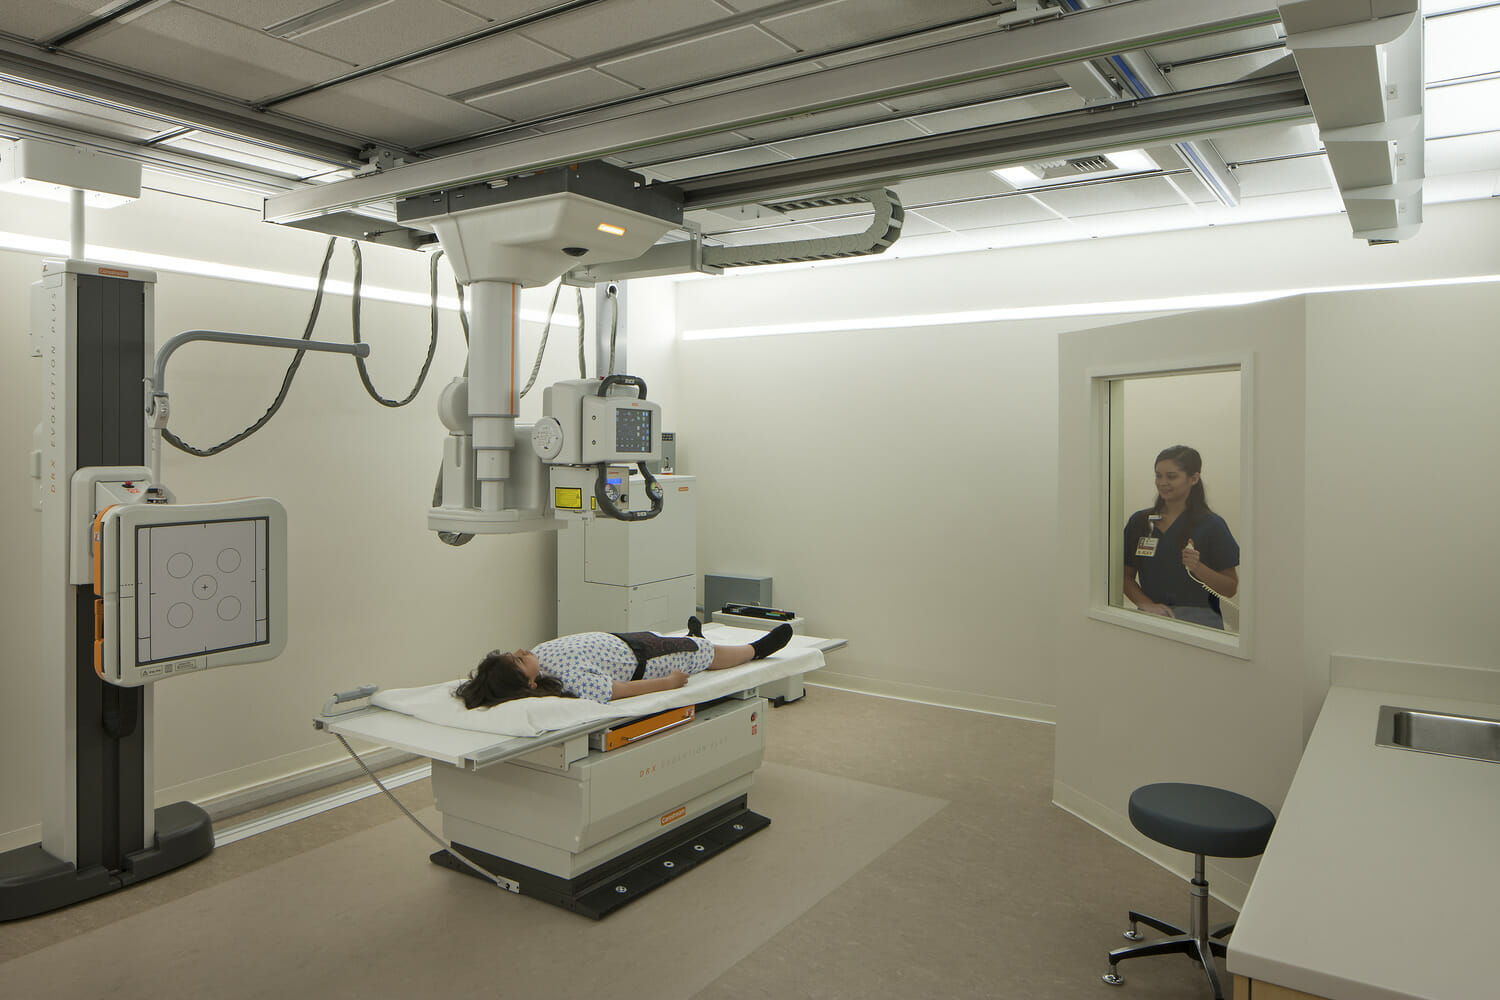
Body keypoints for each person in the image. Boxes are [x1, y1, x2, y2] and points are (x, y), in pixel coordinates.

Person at [455, 617, 794, 707]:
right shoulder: (566, 680)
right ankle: (755, 650)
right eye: (517, 660)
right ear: (529, 684)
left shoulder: (540, 655)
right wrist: (668, 684)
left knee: (679, 640)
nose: (521, 651)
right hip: (644, 660)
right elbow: (617, 691)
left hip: (627, 640)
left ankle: (697, 635)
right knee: (702, 654)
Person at [1122, 445, 1239, 630]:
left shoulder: (1211, 525)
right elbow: (1124, 576)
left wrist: (1198, 568)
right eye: (1158, 475)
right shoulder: (1141, 521)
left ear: (1193, 478)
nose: (1162, 482)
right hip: (1153, 619)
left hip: (1200, 622)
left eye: (1171, 476)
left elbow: (1230, 588)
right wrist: (1147, 605)